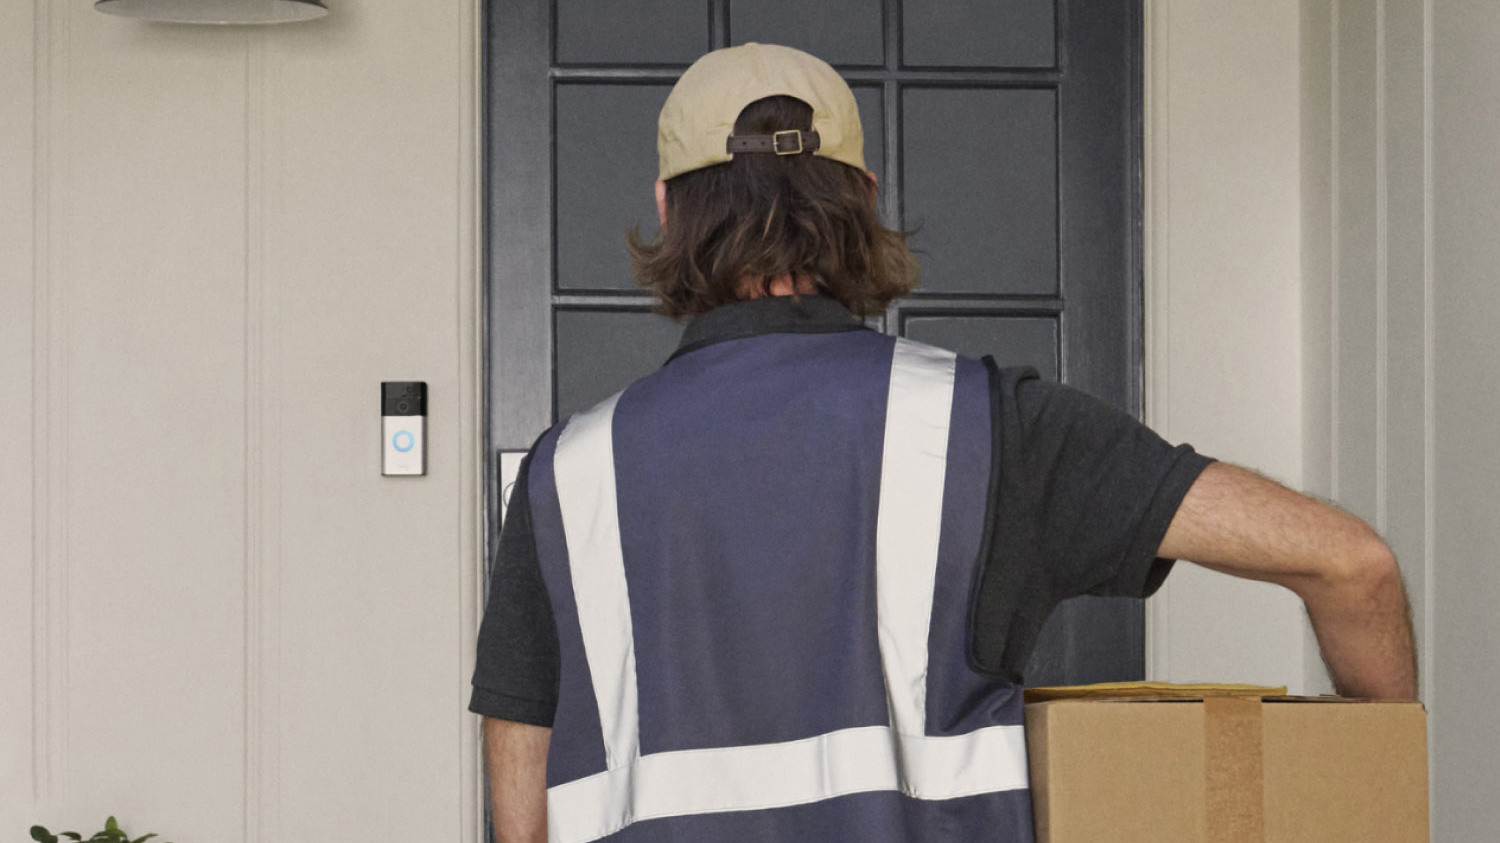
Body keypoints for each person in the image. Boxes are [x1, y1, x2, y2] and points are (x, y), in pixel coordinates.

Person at [469, 42, 1417, 843]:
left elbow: (523, 786)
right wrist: (1368, 788)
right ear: (865, 197)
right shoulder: (989, 425)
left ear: (670, 209)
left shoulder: (567, 475)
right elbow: (1353, 566)